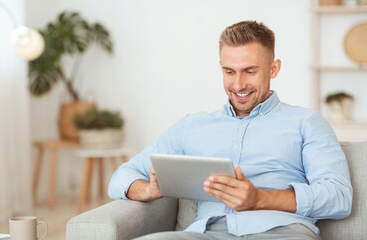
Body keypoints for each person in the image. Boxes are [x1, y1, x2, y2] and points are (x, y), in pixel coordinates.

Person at [108, 20, 352, 240]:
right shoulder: (192, 126)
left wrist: (260, 199)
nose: (238, 85)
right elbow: (122, 176)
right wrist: (148, 190)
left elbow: (338, 196)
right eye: (229, 71)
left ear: (274, 68)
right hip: (207, 233)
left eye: (250, 71)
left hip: (282, 232)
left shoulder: (306, 122)